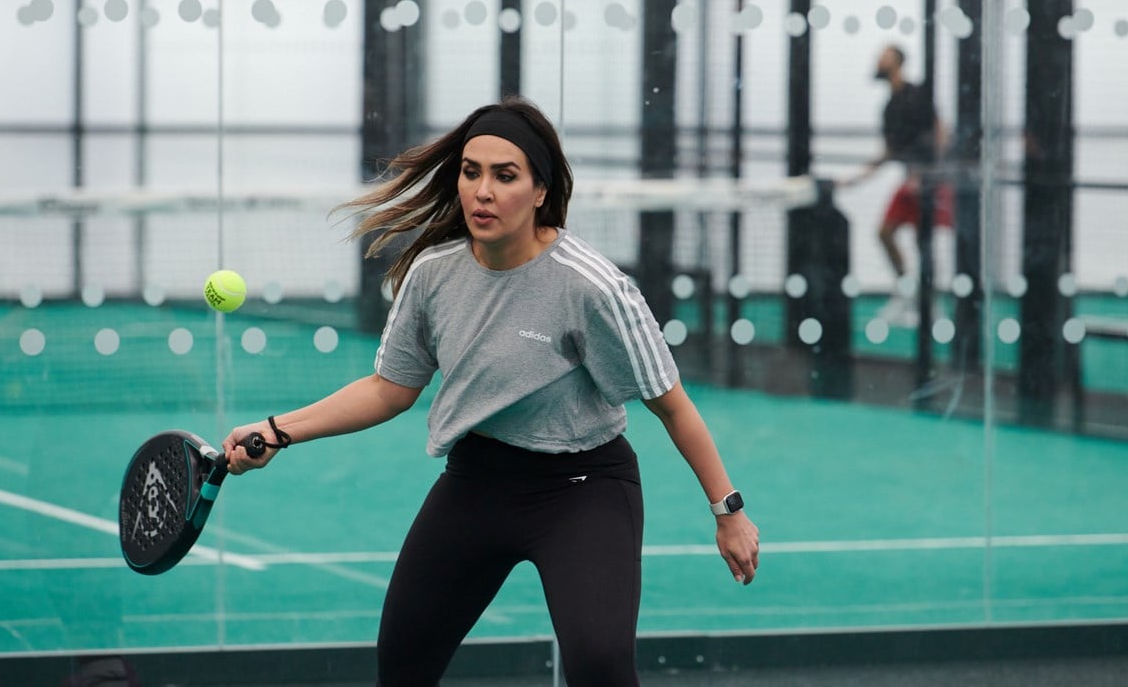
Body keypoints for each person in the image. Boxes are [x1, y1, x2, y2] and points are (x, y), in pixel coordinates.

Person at [222, 95, 760, 686]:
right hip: (477, 482)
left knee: (601, 668)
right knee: (401, 665)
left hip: (584, 489)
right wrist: (277, 430)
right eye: (471, 171)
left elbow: (673, 405)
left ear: (539, 192)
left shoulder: (594, 288)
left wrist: (727, 511)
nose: (482, 191)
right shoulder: (433, 273)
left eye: (505, 176)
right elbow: (388, 389)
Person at [843, 45, 952, 326]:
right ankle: (907, 293)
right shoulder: (889, 108)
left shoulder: (918, 94)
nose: (878, 58)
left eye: (884, 54)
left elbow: (941, 130)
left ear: (898, 61)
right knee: (885, 233)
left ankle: (930, 304)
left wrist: (931, 171)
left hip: (929, 182)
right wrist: (856, 178)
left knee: (923, 241)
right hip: (910, 182)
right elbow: (889, 151)